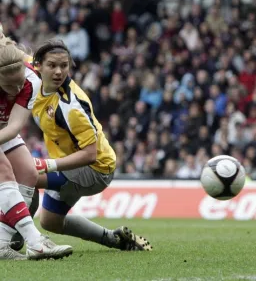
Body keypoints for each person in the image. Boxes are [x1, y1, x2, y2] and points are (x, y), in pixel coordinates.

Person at [13, 39, 152, 252]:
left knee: (23, 176)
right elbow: (11, 52)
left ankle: (14, 238)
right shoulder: (32, 70)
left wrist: (48, 165)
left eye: (64, 65)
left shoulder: (71, 106)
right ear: (39, 65)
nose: (59, 71)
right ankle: (114, 239)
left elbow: (90, 154)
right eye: (52, 66)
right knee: (51, 222)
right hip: (70, 164)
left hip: (96, 169)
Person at [0, 35, 73, 260]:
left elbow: (13, 127)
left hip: (3, 128)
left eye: (19, 81)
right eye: (9, 85)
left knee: (28, 174)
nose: (17, 88)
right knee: (5, 173)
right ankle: (35, 242)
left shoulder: (32, 80)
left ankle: (1, 244)